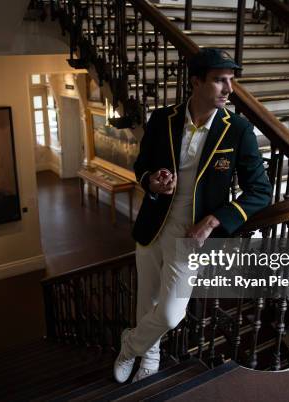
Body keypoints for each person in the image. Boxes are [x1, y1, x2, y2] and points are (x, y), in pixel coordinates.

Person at [113, 48, 272, 383]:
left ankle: (129, 345)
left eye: (231, 81)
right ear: (196, 81)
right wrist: (152, 182)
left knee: (171, 314)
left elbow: (260, 191)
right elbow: (142, 166)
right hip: (153, 224)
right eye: (219, 80)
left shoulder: (238, 130)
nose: (229, 89)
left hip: (191, 235)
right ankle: (150, 356)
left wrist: (215, 221)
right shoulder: (162, 119)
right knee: (148, 300)